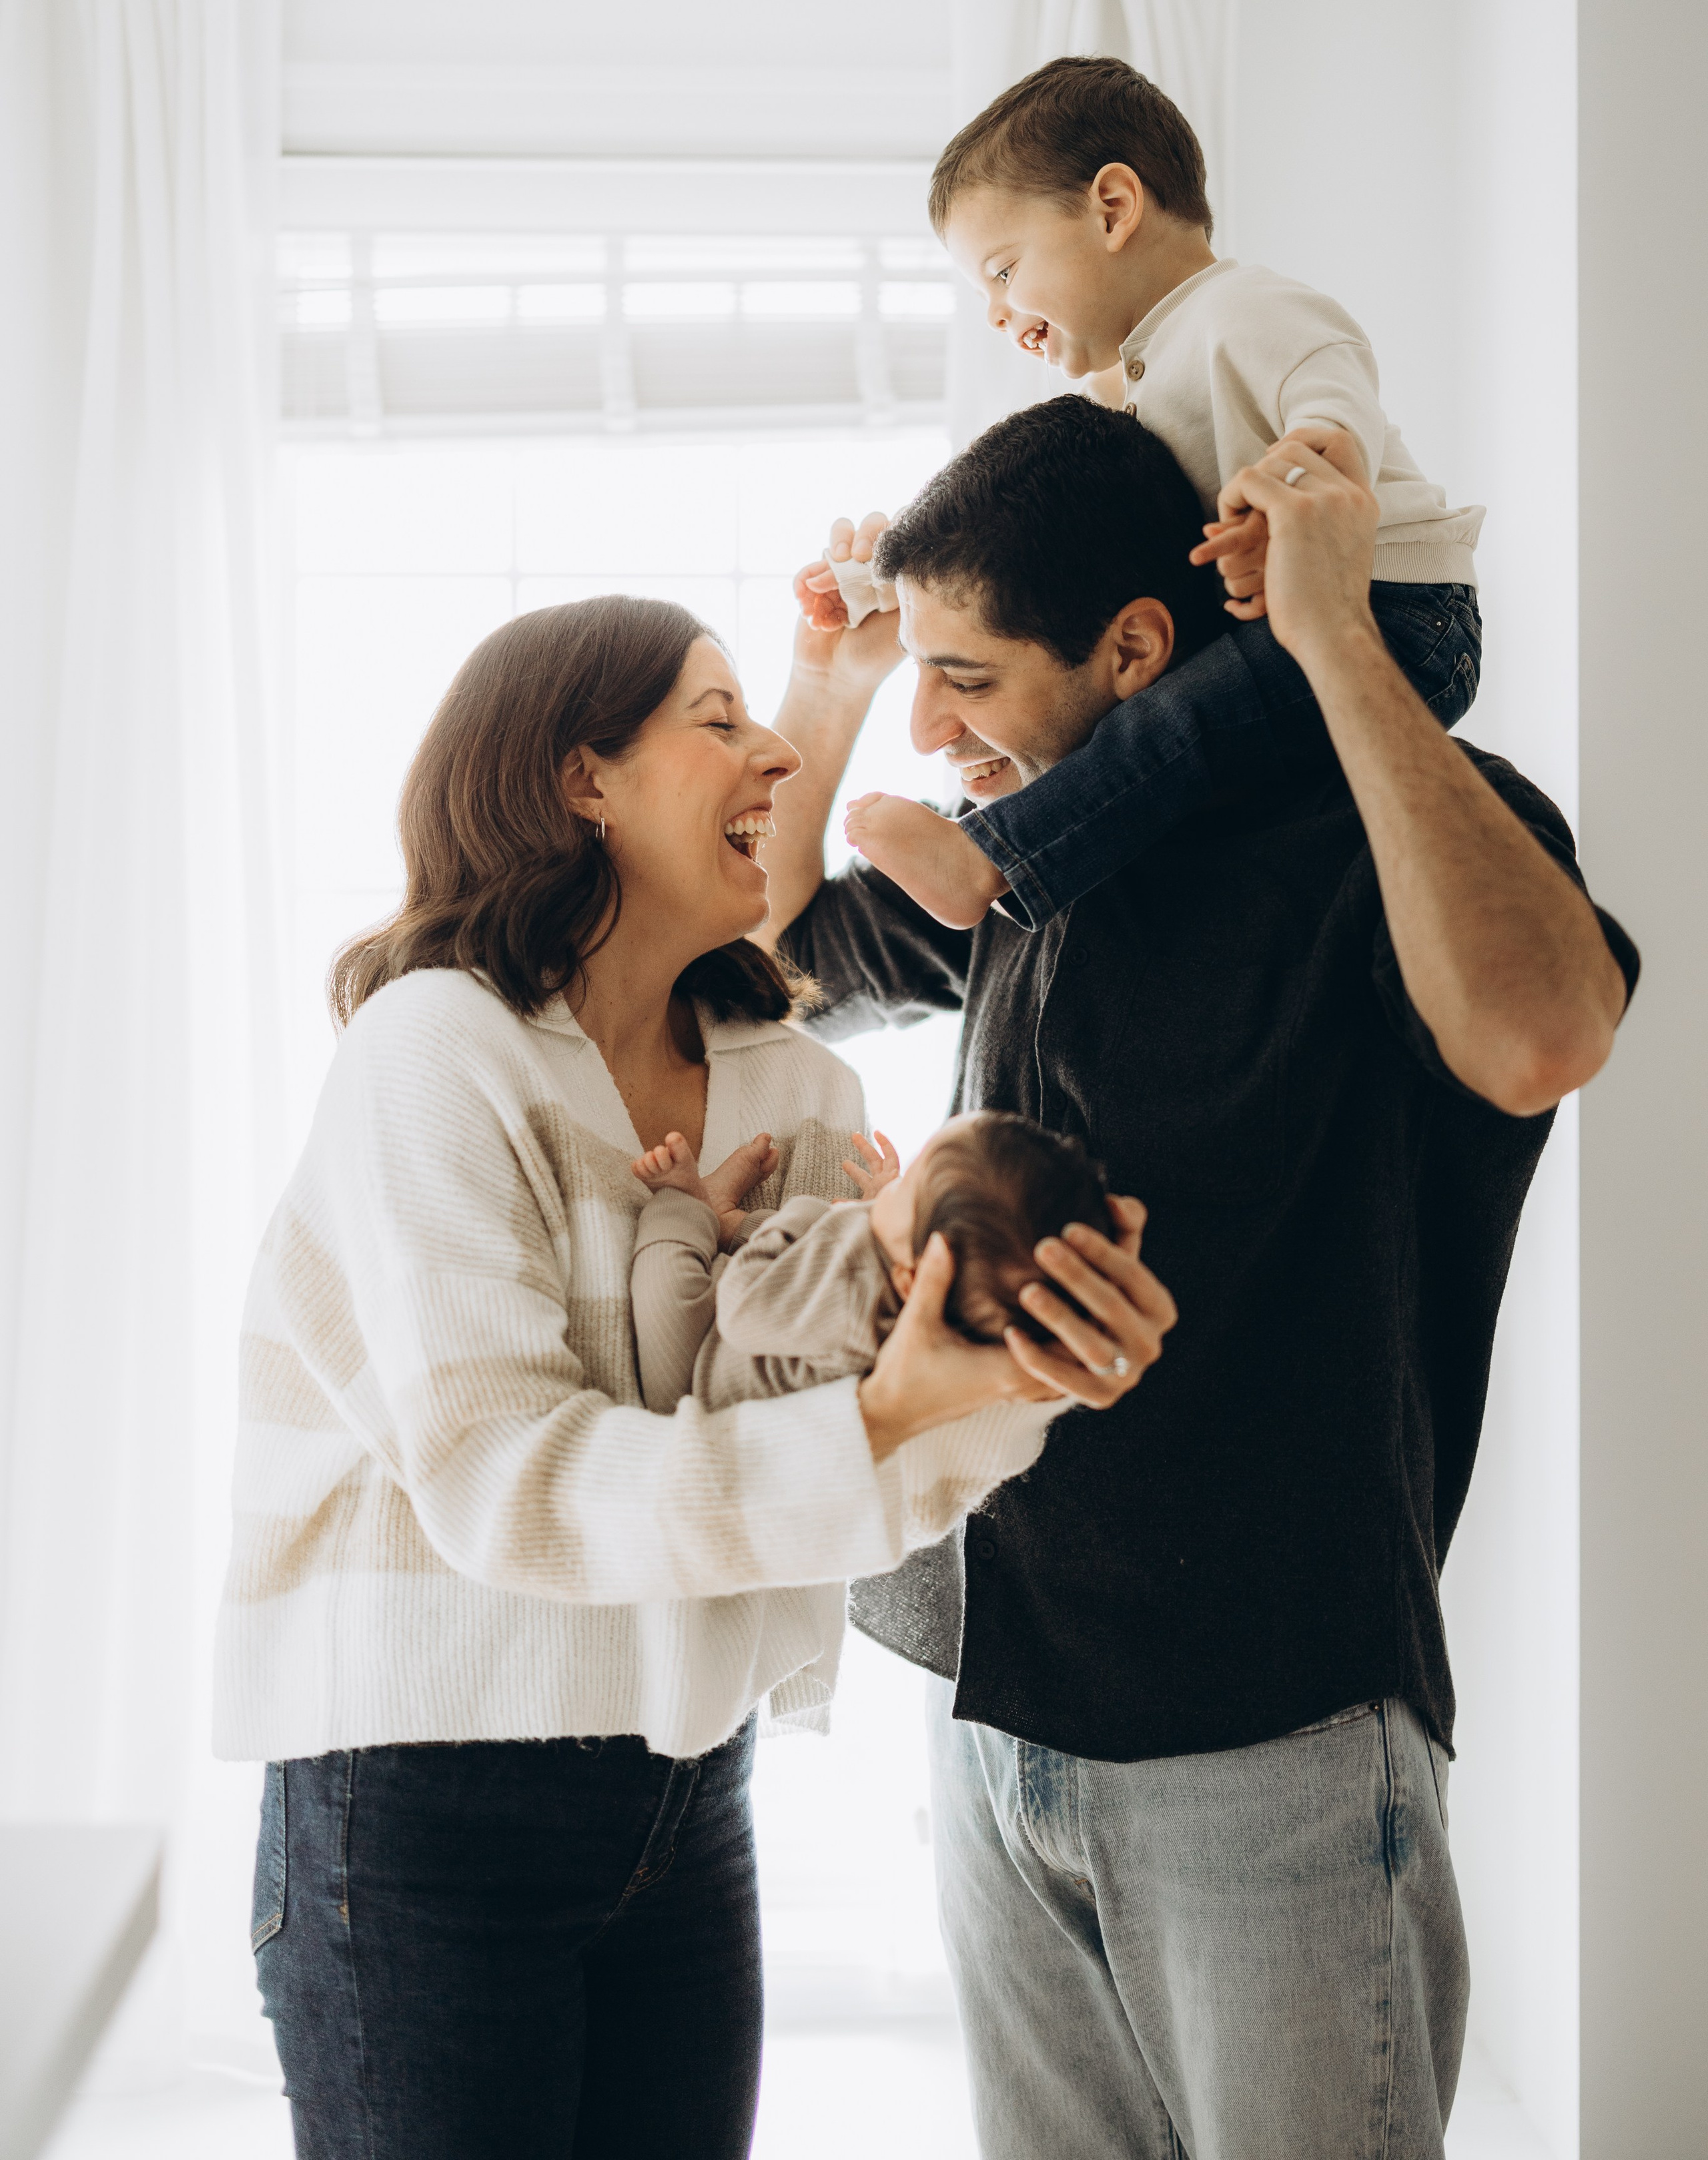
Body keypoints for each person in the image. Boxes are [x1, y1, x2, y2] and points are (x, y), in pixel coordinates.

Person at [759, 400, 1637, 2160]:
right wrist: (835, 680)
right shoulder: (1028, 860)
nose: (937, 732)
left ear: (1138, 650)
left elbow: (1547, 1034)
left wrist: (1332, 641)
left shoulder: (1367, 838)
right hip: (1001, 1703)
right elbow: (776, 965)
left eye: (972, 680)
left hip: (1276, 1734)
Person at [214, 594, 1176, 2160]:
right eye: (718, 716)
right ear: (580, 777)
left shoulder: (799, 1087)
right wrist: (884, 1416)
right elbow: (508, 1483)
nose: (781, 748)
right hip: (417, 1804)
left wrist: (1024, 1374)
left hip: (683, 1792)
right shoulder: (431, 1052)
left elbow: (833, 1473)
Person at [839, 53, 1487, 934]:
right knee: (1166, 721)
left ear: (1113, 207)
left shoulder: (1248, 311)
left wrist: (1289, 492)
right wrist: (882, 580)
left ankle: (992, 858)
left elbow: (1339, 417)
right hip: (1305, 618)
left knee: (1175, 726)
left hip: (1400, 615)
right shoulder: (1129, 378)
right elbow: (1017, 534)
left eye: (1000, 271)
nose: (995, 313)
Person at [626, 1112, 1123, 1413]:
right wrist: (887, 1205)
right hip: (773, 1330)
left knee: (665, 1294)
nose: (895, 1187)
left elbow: (744, 1303)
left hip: (697, 1380)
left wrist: (805, 1216)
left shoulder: (855, 1287)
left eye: (907, 1189)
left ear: (913, 1275)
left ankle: (692, 1204)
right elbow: (798, 1276)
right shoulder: (941, 1301)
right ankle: (728, 1219)